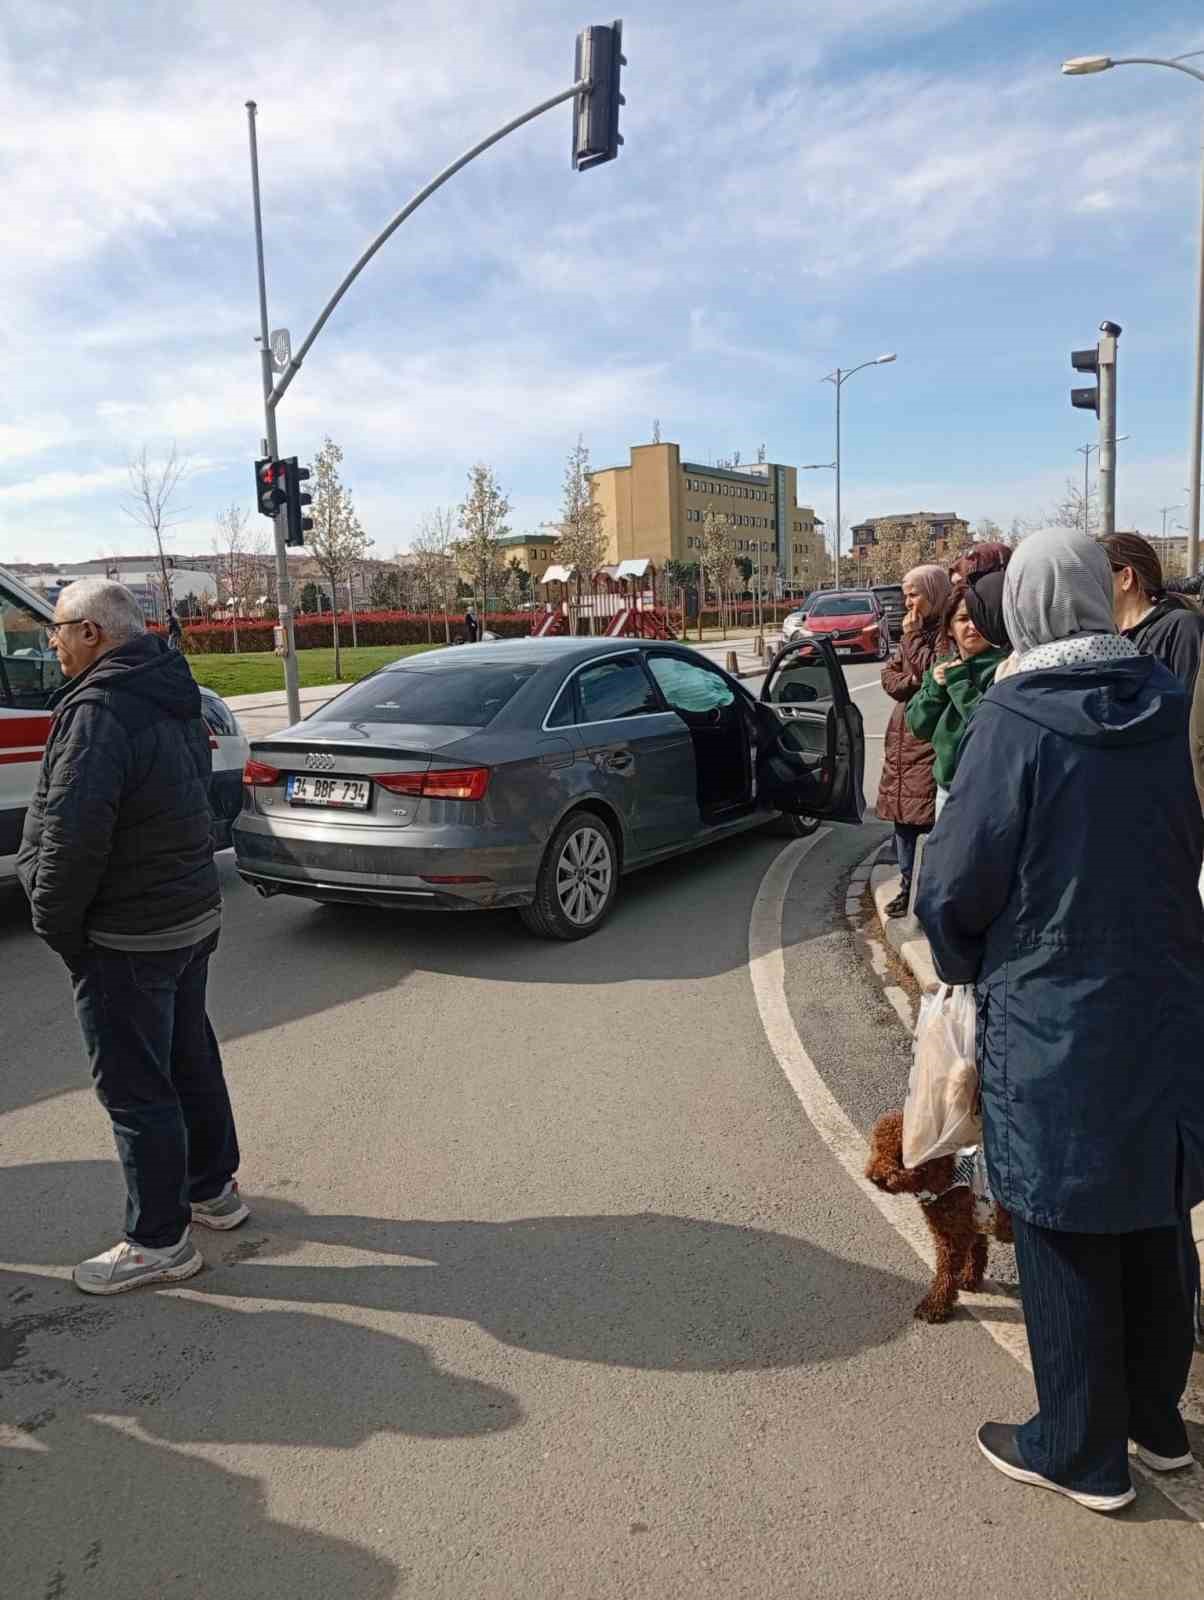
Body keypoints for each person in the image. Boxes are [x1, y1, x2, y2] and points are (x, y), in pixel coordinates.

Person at [917, 530, 1204, 1512]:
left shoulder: (1015, 716)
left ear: (1024, 609)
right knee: (1152, 1205)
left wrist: (962, 964)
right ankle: (1155, 1423)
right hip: (1164, 992)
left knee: (1064, 1214)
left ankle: (1080, 1450)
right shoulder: (1162, 699)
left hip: (1053, 1005)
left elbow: (952, 882)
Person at [17, 579, 248, 1295]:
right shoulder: (171, 689)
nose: (51, 642)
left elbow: (71, 836)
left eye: (58, 629)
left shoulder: (99, 711)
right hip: (187, 913)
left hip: (128, 932)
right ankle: (213, 1190)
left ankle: (158, 1241)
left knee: (136, 1087)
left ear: (91, 632)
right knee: (188, 1055)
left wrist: (57, 926)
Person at [876, 564, 952, 917]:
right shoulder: (914, 631)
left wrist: (911, 641)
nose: (908, 602)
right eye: (905, 595)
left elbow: (935, 674)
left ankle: (927, 888)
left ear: (933, 593)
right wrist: (912, 679)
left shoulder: (946, 630)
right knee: (903, 817)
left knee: (925, 816)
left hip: (928, 737)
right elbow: (889, 678)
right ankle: (907, 883)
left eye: (914, 594)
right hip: (901, 737)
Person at [904, 572, 1009, 818]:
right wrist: (935, 689)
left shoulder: (1004, 668)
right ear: (949, 628)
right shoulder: (942, 666)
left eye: (977, 619)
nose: (972, 627)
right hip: (946, 789)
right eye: (962, 619)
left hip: (988, 789)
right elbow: (917, 725)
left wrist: (960, 684)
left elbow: (989, 727)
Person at [1099, 531, 1204, 693]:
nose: (1086, 585)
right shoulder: (1100, 636)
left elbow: (1189, 702)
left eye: (1095, 574)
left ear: (1126, 578)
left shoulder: (1181, 628)